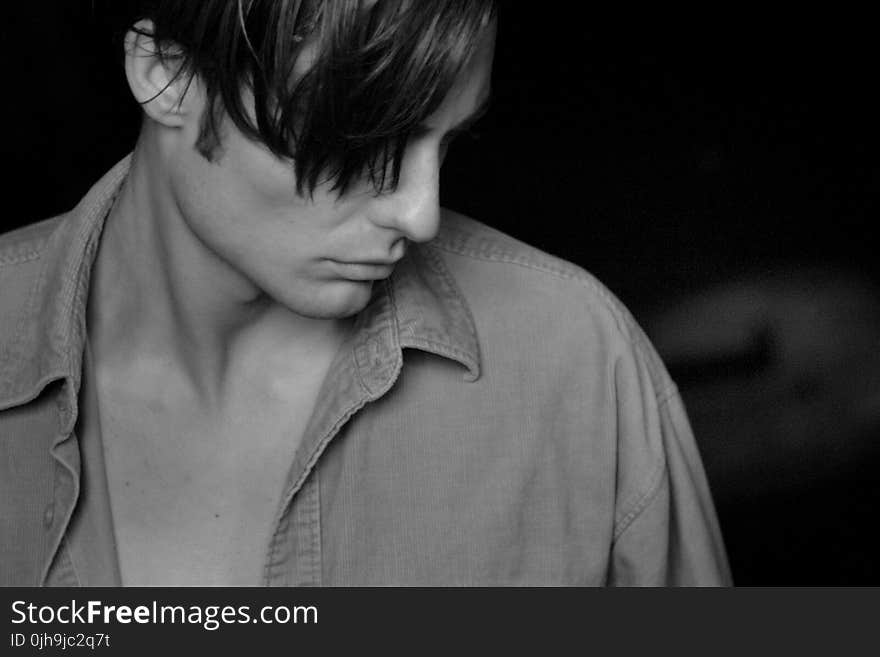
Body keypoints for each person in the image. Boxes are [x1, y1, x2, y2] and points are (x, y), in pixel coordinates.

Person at [0, 0, 730, 586]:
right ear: (166, 73)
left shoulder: (576, 365)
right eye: (367, 141)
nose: (421, 213)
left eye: (446, 143)